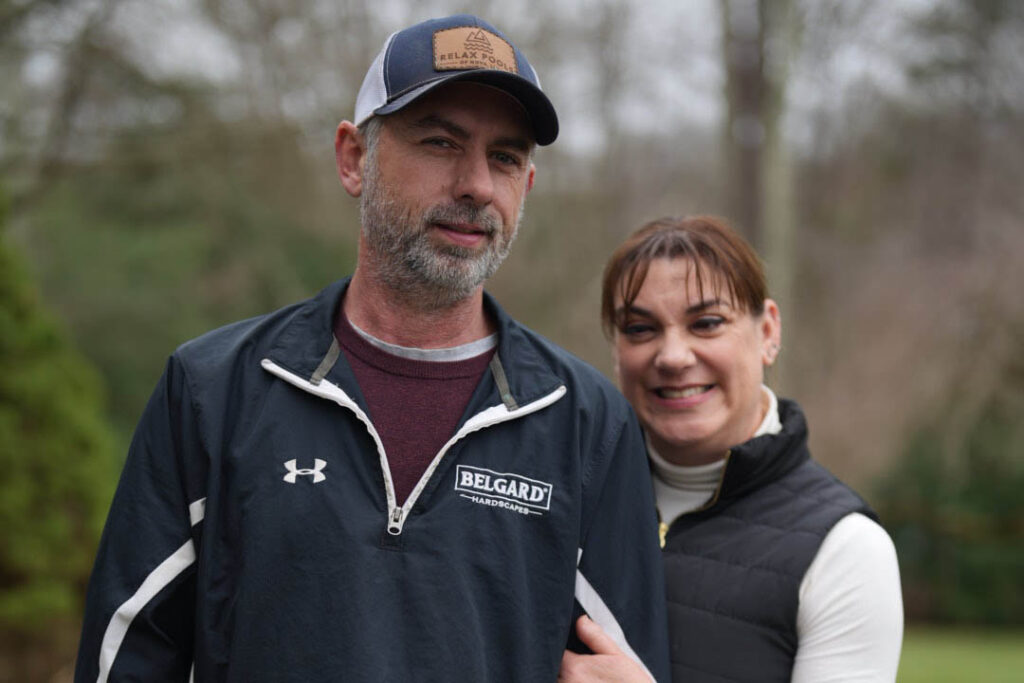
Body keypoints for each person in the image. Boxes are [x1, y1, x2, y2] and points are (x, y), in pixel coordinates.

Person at [74, 15, 670, 682]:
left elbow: (624, 667)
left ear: (525, 187)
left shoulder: (584, 422)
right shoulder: (213, 391)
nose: (477, 184)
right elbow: (125, 660)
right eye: (441, 142)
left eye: (505, 156)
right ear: (354, 157)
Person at [559, 215, 903, 682]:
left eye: (706, 323)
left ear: (768, 333)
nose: (673, 356)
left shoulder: (845, 549)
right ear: (616, 350)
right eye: (641, 329)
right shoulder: (561, 503)